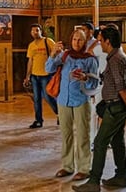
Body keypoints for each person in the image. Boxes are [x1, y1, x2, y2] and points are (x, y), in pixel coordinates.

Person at [74, 24, 126, 192]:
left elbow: (122, 86)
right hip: (118, 106)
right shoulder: (120, 56)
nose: (99, 43)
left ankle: (93, 182)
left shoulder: (116, 59)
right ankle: (120, 176)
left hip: (115, 107)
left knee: (100, 142)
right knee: (117, 141)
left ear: (108, 41)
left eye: (101, 41)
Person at [47, 27, 100, 182]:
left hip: (81, 101)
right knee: (66, 135)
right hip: (63, 100)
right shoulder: (65, 56)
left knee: (83, 135)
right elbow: (48, 69)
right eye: (74, 39)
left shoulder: (90, 59)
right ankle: (67, 166)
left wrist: (85, 78)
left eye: (80, 40)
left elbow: (95, 83)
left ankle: (84, 168)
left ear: (85, 41)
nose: (77, 43)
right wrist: (52, 54)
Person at [23, 23, 58, 128]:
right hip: (35, 76)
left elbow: (56, 53)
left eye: (37, 30)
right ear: (31, 33)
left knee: (48, 97)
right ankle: (38, 120)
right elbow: (30, 61)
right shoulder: (31, 45)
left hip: (46, 75)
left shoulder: (48, 41)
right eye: (33, 31)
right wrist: (27, 76)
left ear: (41, 31)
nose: (35, 32)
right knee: (37, 99)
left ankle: (59, 114)